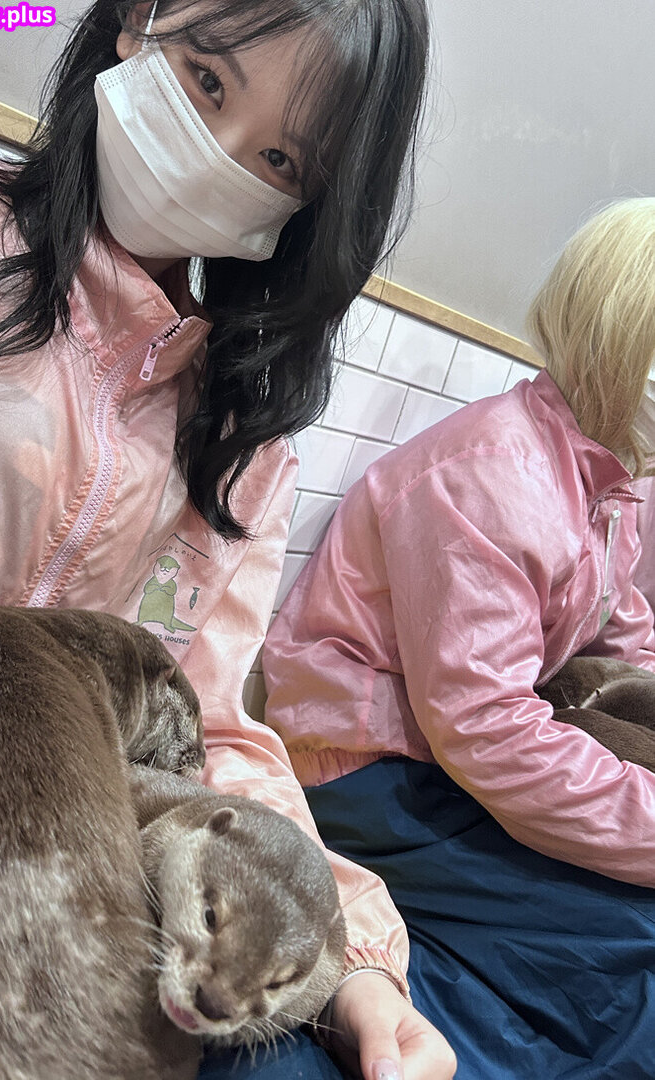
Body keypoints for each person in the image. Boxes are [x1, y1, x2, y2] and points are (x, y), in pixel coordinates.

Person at [0, 1, 458, 1078]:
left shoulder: (240, 449)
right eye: (208, 81)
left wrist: (350, 959)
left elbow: (210, 730)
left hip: (41, 905)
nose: (218, 157)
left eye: (278, 159)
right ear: (140, 20)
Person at [263, 198, 655, 1079]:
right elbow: (489, 731)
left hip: (450, 758)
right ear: (622, 338)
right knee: (628, 957)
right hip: (368, 770)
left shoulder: (608, 484)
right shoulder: (494, 478)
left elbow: (626, 635)